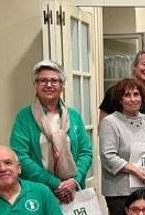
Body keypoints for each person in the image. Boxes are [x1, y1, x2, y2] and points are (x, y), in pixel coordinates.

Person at [10, 60, 92, 204]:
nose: (49, 85)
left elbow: (86, 152)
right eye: (43, 80)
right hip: (38, 191)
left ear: (62, 86)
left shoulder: (73, 116)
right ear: (35, 85)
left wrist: (74, 180)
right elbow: (20, 156)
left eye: (54, 81)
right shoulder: (24, 117)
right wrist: (55, 183)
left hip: (72, 191)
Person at [99, 78, 145, 215]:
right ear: (119, 100)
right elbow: (108, 156)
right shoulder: (110, 122)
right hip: (121, 192)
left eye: (136, 94)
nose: (133, 99)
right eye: (127, 95)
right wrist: (136, 171)